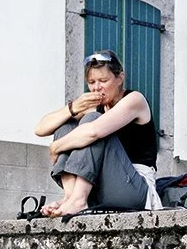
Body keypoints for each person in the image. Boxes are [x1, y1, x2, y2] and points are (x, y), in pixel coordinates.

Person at [34, 50, 159, 217]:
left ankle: (78, 200)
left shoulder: (135, 99)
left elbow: (93, 132)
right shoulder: (96, 107)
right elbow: (40, 129)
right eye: (91, 82)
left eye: (103, 80)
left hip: (135, 189)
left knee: (92, 121)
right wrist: (73, 108)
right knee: (65, 125)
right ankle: (70, 198)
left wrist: (55, 147)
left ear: (120, 78)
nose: (96, 87)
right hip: (103, 188)